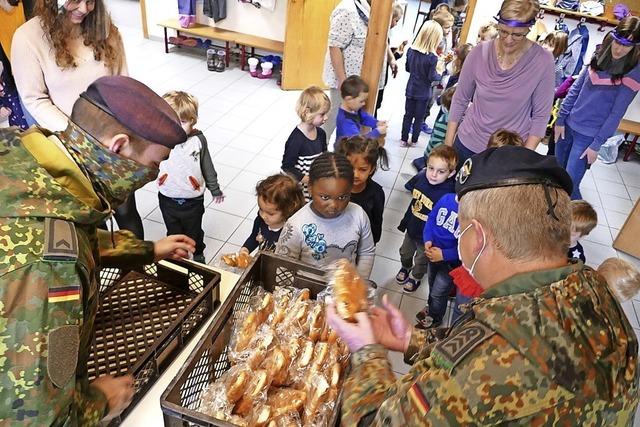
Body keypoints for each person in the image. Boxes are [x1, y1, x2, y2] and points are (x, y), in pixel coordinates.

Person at [328, 146, 639, 425]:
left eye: (460, 229)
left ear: (476, 237)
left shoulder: (468, 376)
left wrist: (367, 352)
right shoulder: (594, 290)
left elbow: (372, 421)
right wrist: (411, 339)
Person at [0, 75, 198, 425]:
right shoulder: (50, 271)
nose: (155, 173)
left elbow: (62, 226)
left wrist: (144, 249)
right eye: (154, 164)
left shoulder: (23, 153)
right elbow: (36, 417)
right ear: (119, 146)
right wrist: (98, 402)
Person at [444, 0, 555, 162]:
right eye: (503, 31)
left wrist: (522, 158)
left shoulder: (543, 61)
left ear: (529, 28)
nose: (508, 40)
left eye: (517, 34)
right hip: (467, 144)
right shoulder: (479, 53)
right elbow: (460, 99)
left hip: (508, 153)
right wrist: (448, 145)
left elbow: (541, 116)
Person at [555, 16, 640, 200]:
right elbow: (576, 88)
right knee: (557, 175)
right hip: (568, 125)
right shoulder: (599, 53)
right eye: (618, 42)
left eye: (627, 45)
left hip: (588, 137)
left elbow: (616, 113)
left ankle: (576, 226)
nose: (619, 49)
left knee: (570, 185)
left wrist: (596, 145)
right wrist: (560, 119)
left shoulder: (634, 72)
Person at [276, 152, 375, 279]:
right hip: (307, 292)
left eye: (342, 197)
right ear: (310, 188)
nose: (334, 205)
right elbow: (282, 267)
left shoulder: (359, 215)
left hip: (345, 292)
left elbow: (367, 252)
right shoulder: (295, 226)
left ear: (350, 190)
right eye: (325, 197)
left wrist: (359, 284)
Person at [157, 91, 224, 264]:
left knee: (193, 230)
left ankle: (198, 250)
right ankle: (176, 253)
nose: (177, 127)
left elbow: (207, 166)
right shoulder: (160, 138)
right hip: (167, 196)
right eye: (172, 121)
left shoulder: (198, 140)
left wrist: (214, 189)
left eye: (183, 122)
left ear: (193, 121)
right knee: (173, 231)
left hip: (193, 199)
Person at [322, 0, 386, 139]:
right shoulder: (347, 10)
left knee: (356, 115)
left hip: (359, 84)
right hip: (347, 83)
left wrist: (391, 58)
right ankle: (319, 150)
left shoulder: (376, 9)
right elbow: (334, 46)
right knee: (333, 117)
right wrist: (342, 80)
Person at [397, 145, 457, 293]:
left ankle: (416, 277)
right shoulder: (421, 177)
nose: (434, 175)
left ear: (450, 173)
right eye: (431, 168)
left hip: (429, 238)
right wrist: (405, 222)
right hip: (412, 228)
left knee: (421, 260)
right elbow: (414, 201)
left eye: (441, 171)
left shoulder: (449, 194)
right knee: (405, 252)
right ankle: (405, 267)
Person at [415, 190, 461, 329]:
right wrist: (428, 239)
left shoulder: (473, 215)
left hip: (451, 265)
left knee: (438, 293)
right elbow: (431, 218)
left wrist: (444, 255)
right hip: (432, 257)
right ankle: (432, 307)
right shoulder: (446, 198)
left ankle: (435, 317)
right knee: (432, 283)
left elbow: (467, 249)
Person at [335, 135, 387, 245]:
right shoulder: (334, 188)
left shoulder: (376, 193)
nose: (355, 174)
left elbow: (376, 225)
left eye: (362, 169)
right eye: (350, 168)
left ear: (371, 169)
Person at [281, 86, 329, 200]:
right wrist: (308, 180)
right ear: (307, 112)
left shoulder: (321, 133)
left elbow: (324, 156)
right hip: (300, 193)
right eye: (322, 114)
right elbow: (287, 167)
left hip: (317, 188)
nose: (326, 118)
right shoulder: (296, 140)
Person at [401, 21, 444, 147]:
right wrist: (440, 72)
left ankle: (403, 139)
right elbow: (432, 77)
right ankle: (414, 140)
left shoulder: (410, 51)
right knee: (419, 118)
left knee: (407, 115)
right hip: (424, 92)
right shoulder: (432, 58)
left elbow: (408, 68)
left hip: (410, 89)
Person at [241, 174, 305, 255]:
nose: (263, 215)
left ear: (288, 210)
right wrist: (245, 249)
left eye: (270, 214)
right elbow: (254, 238)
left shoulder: (292, 231)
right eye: (261, 209)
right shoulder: (260, 221)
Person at [336, 75, 388, 142]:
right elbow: (358, 142)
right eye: (361, 101)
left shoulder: (354, 110)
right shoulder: (345, 121)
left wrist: (376, 123)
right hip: (346, 151)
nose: (364, 104)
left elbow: (364, 117)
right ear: (349, 99)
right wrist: (377, 132)